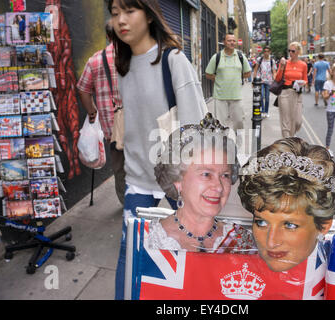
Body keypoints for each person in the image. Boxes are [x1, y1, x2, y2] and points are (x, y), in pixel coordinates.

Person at [108, 0, 207, 300]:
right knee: (129, 256)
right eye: (114, 14)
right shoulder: (121, 66)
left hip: (177, 182)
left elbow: (197, 128)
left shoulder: (173, 60)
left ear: (149, 16)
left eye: (129, 11)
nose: (121, 20)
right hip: (138, 180)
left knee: (189, 256)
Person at [151, 113, 255, 252]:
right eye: (206, 174)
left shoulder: (242, 242)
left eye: (225, 175)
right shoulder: (149, 240)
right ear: (178, 181)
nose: (218, 187)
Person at [237, 137, 335, 272]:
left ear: (324, 226)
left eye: (290, 225)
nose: (271, 242)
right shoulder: (235, 261)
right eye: (261, 223)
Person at [77, 21, 126, 205]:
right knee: (142, 166)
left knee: (120, 168)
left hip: (111, 128)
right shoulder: (136, 56)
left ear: (107, 36)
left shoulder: (95, 60)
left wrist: (91, 111)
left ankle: (126, 203)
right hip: (138, 124)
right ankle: (144, 202)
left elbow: (83, 89)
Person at [205, 33, 251, 131]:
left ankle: (238, 144)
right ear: (224, 42)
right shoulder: (216, 57)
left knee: (239, 122)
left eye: (234, 41)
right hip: (220, 96)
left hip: (236, 96)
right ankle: (221, 144)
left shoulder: (240, 56)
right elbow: (208, 74)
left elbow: (248, 72)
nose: (232, 42)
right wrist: (219, 79)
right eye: (229, 40)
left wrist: (237, 77)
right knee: (220, 124)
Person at [275, 42, 307, 138]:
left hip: (297, 94)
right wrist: (281, 66)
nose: (290, 53)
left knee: (297, 121)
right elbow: (277, 79)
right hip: (285, 93)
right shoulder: (285, 63)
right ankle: (287, 146)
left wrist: (303, 83)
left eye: (293, 51)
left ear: (298, 52)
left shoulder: (303, 65)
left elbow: (306, 79)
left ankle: (290, 139)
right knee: (286, 122)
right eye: (289, 51)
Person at [252, 46, 277, 118]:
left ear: (270, 52)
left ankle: (266, 112)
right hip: (260, 81)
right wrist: (253, 81)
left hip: (269, 82)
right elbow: (255, 70)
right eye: (265, 51)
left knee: (267, 97)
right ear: (263, 52)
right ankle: (262, 111)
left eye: (267, 51)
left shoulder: (272, 61)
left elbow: (274, 72)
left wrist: (275, 80)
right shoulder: (259, 60)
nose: (266, 53)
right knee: (261, 96)